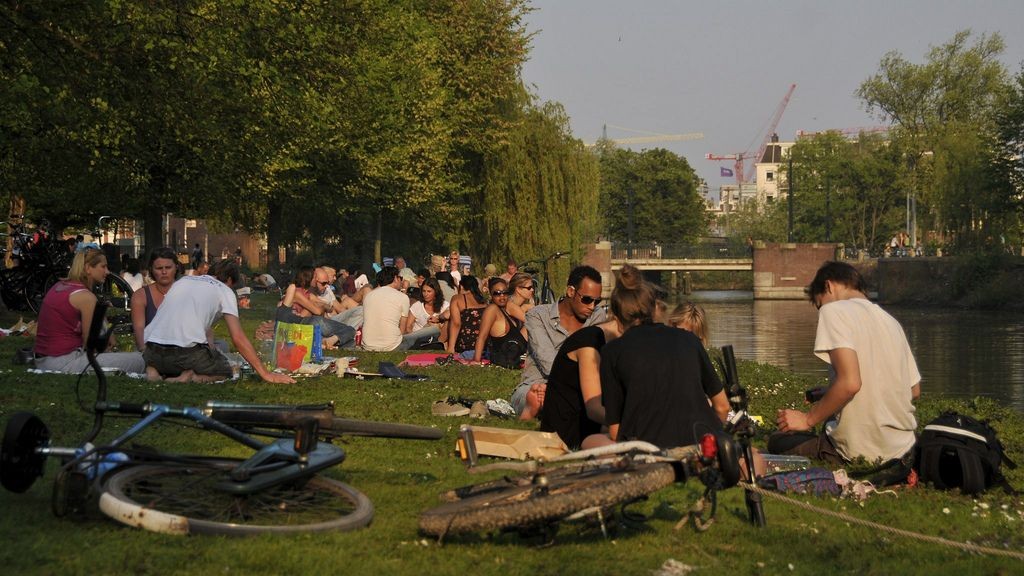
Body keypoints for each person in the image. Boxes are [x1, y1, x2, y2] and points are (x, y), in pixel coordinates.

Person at [770, 261, 920, 466]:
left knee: (778, 440)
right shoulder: (891, 321)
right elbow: (913, 389)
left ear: (829, 286)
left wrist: (807, 419)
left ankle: (836, 452)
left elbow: (850, 383)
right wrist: (830, 392)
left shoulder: (833, 311)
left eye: (819, 303)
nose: (821, 310)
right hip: (903, 448)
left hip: (861, 450)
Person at [598, 265, 729, 448]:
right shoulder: (689, 340)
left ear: (617, 317)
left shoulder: (611, 352)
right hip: (701, 442)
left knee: (591, 440)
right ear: (653, 309)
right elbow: (722, 406)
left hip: (648, 446)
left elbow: (614, 431)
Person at [144, 260, 294, 384]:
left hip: (151, 351)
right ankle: (189, 377)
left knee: (177, 358)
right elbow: (238, 337)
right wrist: (266, 374)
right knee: (226, 370)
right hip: (184, 355)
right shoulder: (224, 290)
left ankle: (153, 372)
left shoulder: (183, 281)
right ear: (229, 280)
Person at [511, 265, 607, 420]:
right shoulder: (538, 316)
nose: (591, 306)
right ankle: (536, 406)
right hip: (537, 384)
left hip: (580, 385)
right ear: (570, 291)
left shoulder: (597, 316)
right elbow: (548, 363)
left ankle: (548, 406)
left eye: (597, 301)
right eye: (587, 299)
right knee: (532, 395)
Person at [33, 248, 146, 374]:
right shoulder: (86, 297)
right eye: (103, 267)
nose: (107, 272)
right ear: (88, 268)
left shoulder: (59, 286)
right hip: (63, 362)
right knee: (141, 359)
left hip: (43, 359)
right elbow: (93, 344)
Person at [539, 318, 621, 449]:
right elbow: (594, 408)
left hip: (592, 426)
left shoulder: (611, 345)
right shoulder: (589, 343)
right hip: (567, 434)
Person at [130, 247, 179, 351]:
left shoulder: (186, 293)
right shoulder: (140, 296)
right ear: (151, 269)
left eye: (168, 267)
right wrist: (144, 351)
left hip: (184, 352)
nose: (164, 272)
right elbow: (139, 329)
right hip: (151, 351)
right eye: (159, 268)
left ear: (176, 268)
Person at [472, 278, 528, 368]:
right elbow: (482, 336)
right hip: (506, 356)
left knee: (534, 325)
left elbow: (528, 320)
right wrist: (476, 361)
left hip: (517, 351)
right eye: (497, 293)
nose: (502, 296)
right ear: (491, 294)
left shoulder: (507, 307)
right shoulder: (492, 309)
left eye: (505, 292)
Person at [360, 266, 412, 351]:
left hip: (368, 345)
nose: (402, 281)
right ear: (395, 278)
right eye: (400, 278)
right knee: (432, 331)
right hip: (392, 346)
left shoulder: (369, 296)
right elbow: (403, 329)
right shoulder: (403, 297)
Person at [446, 275, 487, 357]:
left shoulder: (457, 298)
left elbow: (456, 324)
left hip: (467, 346)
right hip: (485, 346)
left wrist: (451, 347)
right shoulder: (483, 300)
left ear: (461, 286)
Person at [403, 277, 449, 348]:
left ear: (436, 292)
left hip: (439, 338)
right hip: (419, 339)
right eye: (424, 291)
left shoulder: (445, 306)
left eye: (429, 291)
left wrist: (438, 320)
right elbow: (408, 327)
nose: (425, 294)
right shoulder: (417, 306)